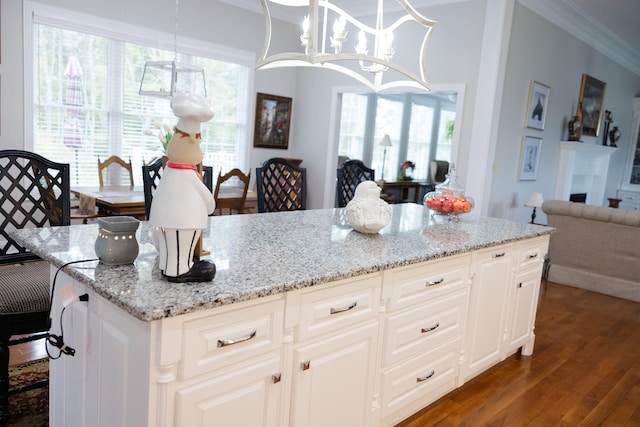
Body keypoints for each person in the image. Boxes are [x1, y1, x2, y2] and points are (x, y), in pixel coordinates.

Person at [149, 93, 216, 282]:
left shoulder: (169, 170)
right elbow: (209, 203)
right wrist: (209, 205)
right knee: (183, 241)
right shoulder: (186, 173)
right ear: (192, 141)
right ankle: (180, 269)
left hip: (165, 220)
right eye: (199, 142)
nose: (200, 150)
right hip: (184, 221)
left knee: (171, 242)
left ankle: (167, 265)